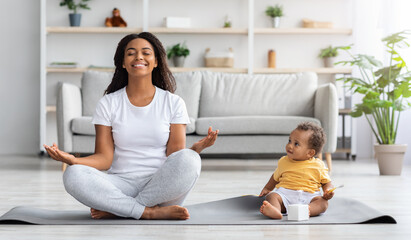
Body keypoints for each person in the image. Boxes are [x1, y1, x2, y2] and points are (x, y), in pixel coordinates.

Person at [43, 32, 219, 220]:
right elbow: (104, 158)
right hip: (120, 183)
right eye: (131, 53)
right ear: (123, 63)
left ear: (156, 61)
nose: (139, 57)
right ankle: (148, 212)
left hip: (161, 186)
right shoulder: (108, 103)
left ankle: (120, 208)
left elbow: (174, 156)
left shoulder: (173, 102)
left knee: (190, 159)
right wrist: (73, 160)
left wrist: (195, 149)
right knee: (73, 175)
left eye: (146, 52)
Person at [259, 122, 334, 219]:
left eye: (296, 144)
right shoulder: (284, 161)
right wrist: (267, 188)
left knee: (323, 203)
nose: (290, 146)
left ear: (310, 152)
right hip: (285, 194)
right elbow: (275, 177)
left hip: (309, 197)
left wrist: (327, 190)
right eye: (289, 141)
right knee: (272, 196)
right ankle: (275, 210)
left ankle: (307, 210)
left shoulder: (318, 165)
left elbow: (326, 182)